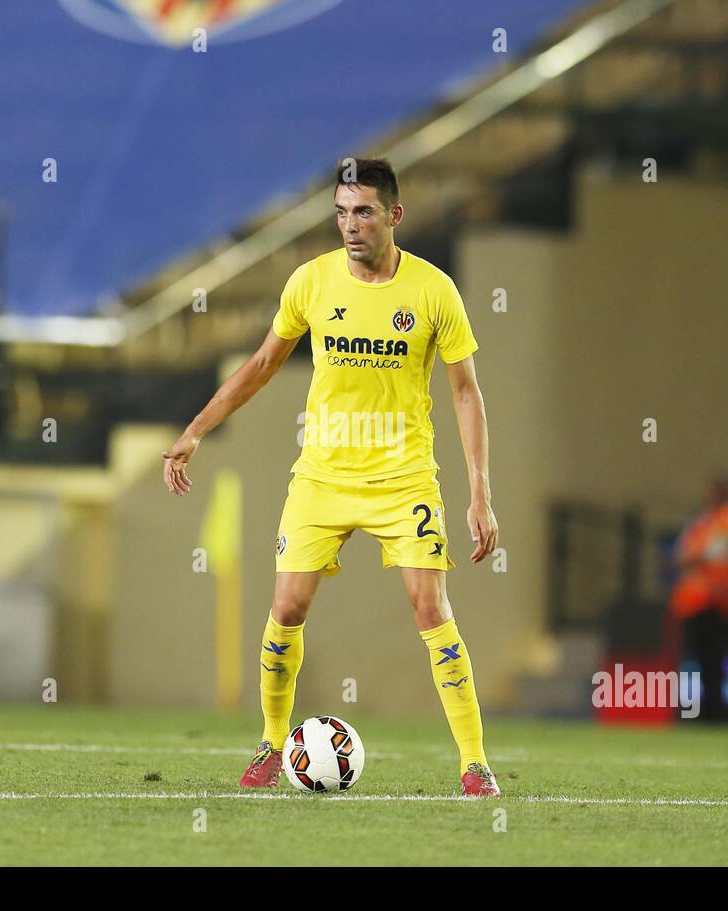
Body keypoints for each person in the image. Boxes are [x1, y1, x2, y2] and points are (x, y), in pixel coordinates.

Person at [161, 158, 501, 796]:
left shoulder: (433, 292)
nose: (351, 225)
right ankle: (269, 742)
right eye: (342, 212)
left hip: (404, 480)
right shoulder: (310, 282)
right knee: (286, 605)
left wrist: (480, 490)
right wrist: (196, 429)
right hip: (321, 477)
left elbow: (465, 392)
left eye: (364, 211)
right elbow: (263, 364)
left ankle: (475, 763)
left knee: (430, 608)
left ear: (393, 216)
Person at [669, 475, 728, 721]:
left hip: (716, 600)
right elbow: (681, 553)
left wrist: (692, 558)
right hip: (691, 602)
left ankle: (712, 715)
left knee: (713, 662)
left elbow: (719, 553)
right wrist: (692, 557)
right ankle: (690, 712)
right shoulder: (704, 518)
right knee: (691, 661)